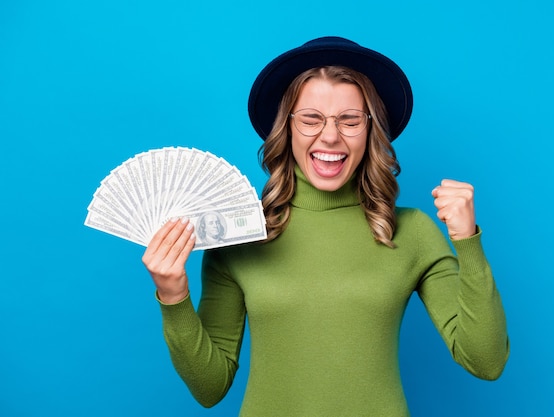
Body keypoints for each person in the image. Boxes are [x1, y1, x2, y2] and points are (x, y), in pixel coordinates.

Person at [142, 36, 509, 416]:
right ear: (286, 128)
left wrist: (468, 241)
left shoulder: (412, 231)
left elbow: (486, 361)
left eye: (349, 120)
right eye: (311, 119)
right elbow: (209, 388)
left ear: (371, 131)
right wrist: (173, 296)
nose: (330, 135)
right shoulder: (240, 235)